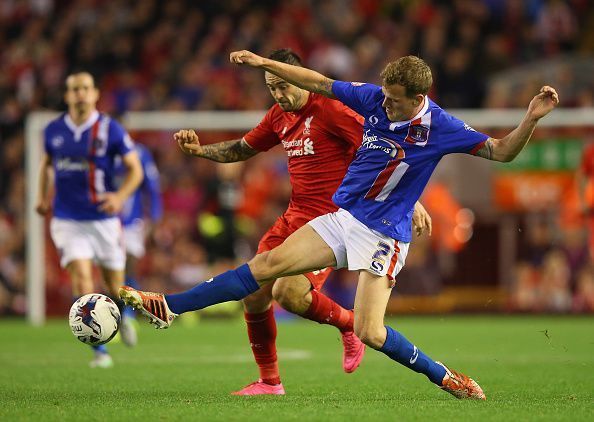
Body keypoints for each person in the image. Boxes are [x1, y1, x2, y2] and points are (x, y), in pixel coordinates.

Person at [120, 52, 559, 399]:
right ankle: (170, 306)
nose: (383, 103)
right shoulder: (372, 98)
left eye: (394, 99)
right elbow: (318, 82)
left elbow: (502, 152)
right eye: (384, 94)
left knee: (371, 332)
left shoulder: (440, 126)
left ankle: (445, 377)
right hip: (342, 218)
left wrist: (531, 119)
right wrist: (263, 63)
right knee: (268, 266)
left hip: (385, 234)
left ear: (418, 96)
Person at [172, 49, 432, 395]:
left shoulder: (332, 110)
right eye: (272, 88)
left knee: (289, 293)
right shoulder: (279, 116)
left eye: (283, 86)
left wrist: (412, 201)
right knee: (254, 295)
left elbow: (386, 152)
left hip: (334, 221)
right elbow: (243, 149)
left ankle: (351, 325)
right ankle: (270, 382)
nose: (279, 94)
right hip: (293, 218)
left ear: (298, 78)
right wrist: (200, 151)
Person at [36, 71, 143, 368]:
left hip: (103, 219)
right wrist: (43, 196)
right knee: (82, 277)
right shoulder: (53, 130)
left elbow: (135, 170)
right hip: (67, 218)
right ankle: (100, 350)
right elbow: (46, 164)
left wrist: (120, 197)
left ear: (95, 93)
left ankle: (122, 317)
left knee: (115, 287)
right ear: (67, 95)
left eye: (85, 88)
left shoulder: (111, 130)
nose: (80, 94)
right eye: (74, 89)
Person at [115, 142, 163, 346]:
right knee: (112, 271)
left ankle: (128, 317)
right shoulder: (95, 151)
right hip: (104, 221)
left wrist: (154, 218)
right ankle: (114, 317)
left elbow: (152, 188)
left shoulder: (139, 153)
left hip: (132, 223)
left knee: (129, 267)